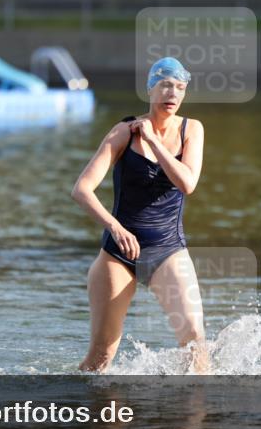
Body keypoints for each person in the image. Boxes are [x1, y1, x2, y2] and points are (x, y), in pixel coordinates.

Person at [71, 57, 208, 374]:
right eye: (165, 85)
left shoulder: (193, 129)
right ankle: (87, 417)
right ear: (150, 89)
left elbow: (187, 183)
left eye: (180, 88)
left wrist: (153, 140)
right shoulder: (123, 132)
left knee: (195, 342)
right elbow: (81, 189)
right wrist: (115, 228)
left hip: (168, 249)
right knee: (100, 359)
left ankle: (193, 420)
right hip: (118, 254)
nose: (172, 94)